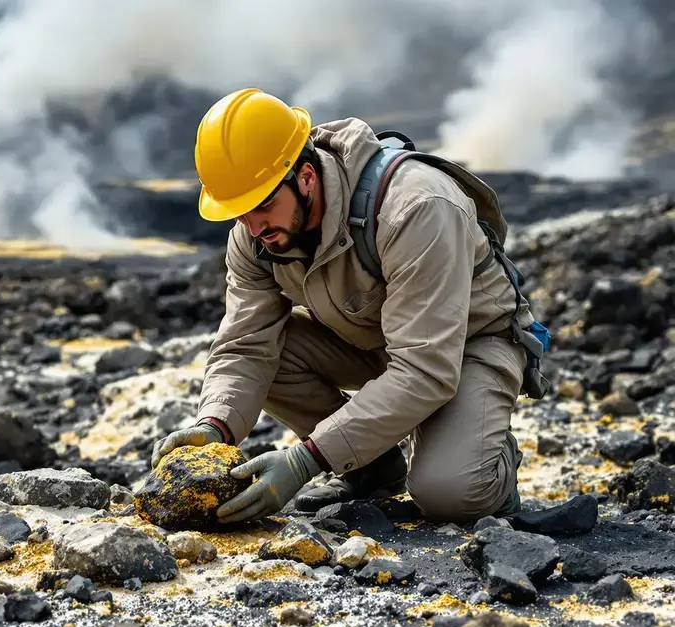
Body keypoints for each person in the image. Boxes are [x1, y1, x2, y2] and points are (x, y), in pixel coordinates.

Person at [152, 88, 539, 524]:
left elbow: (425, 368)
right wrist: (214, 427)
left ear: (306, 177)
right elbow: (245, 346)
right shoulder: (257, 233)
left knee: (449, 493)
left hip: (467, 346)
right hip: (376, 341)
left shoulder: (415, 206)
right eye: (238, 211)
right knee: (273, 352)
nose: (252, 226)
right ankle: (373, 469)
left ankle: (486, 452)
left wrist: (306, 460)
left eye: (262, 205)